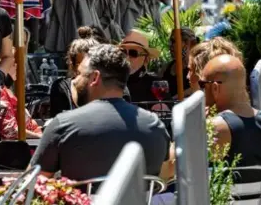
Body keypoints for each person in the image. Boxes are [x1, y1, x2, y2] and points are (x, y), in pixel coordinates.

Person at [31, 44, 170, 181]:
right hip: (140, 203)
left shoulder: (63, 125)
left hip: (83, 203)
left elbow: (33, 185)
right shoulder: (155, 125)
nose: (75, 81)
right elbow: (165, 176)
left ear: (95, 78)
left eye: (80, 74)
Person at [202, 55, 261, 183]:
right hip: (259, 203)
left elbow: (181, 170)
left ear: (215, 88)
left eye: (203, 84)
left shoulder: (215, 127)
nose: (201, 90)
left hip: (220, 203)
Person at [48, 30, 100, 118]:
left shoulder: (109, 87)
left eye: (91, 64)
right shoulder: (61, 87)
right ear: (73, 65)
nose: (85, 69)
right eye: (80, 63)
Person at [0, 59, 42, 140]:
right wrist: (40, 136)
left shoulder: (7, 91)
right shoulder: (2, 94)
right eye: (14, 65)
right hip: (25, 145)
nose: (17, 68)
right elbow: (11, 130)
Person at [120, 30, 161, 102]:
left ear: (145, 58)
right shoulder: (112, 81)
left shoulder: (154, 83)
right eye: (123, 52)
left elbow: (165, 107)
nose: (127, 57)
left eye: (133, 53)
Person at [160, 27, 198, 98]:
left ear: (187, 43)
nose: (170, 45)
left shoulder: (197, 66)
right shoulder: (167, 67)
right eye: (170, 41)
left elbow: (200, 89)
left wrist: (175, 98)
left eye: (173, 41)